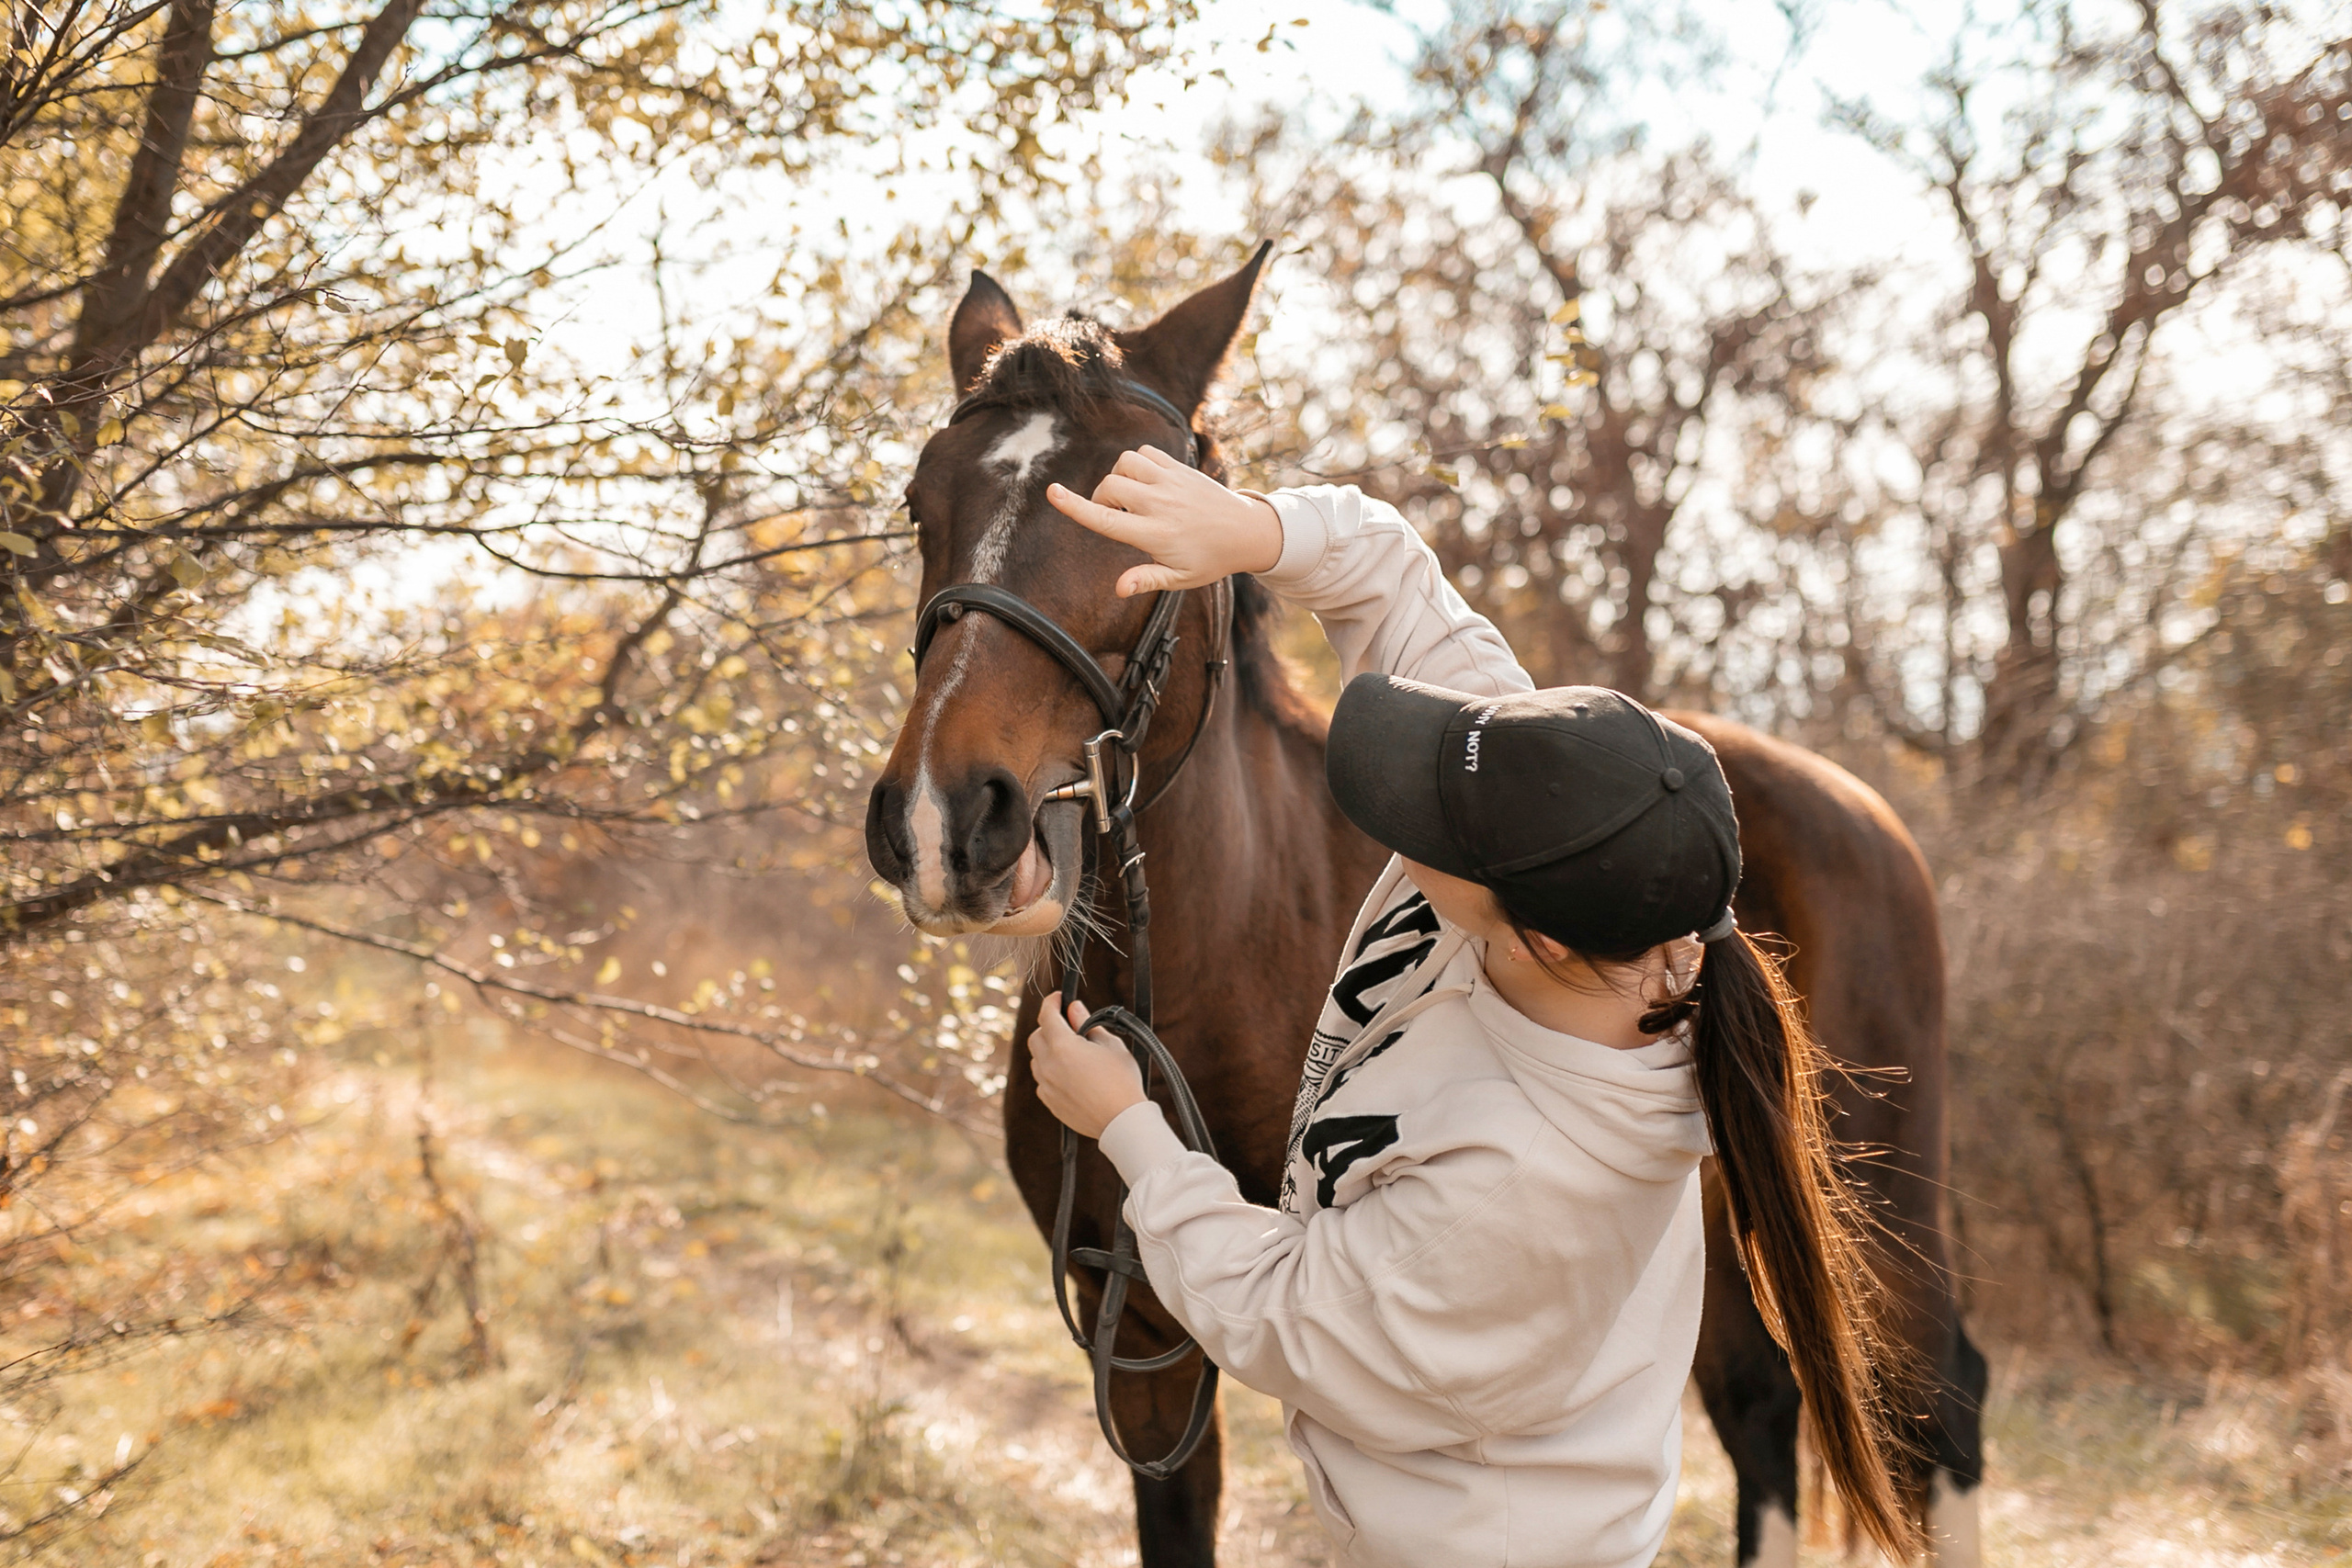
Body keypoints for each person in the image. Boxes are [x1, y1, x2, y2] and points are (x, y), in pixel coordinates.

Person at [1025, 448, 1920, 1568]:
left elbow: (1285, 1315)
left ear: (1531, 934)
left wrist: (1130, 1129)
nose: (1403, 817)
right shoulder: (1556, 875)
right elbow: (1393, 576)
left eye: (1433, 818)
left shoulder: (1526, 1183)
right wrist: (1253, 529)